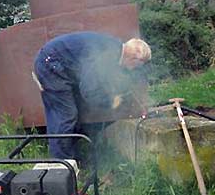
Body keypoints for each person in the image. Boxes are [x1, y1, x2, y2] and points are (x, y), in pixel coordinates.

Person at [32, 32, 151, 160]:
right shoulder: (106, 54)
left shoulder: (113, 49)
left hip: (56, 63)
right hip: (51, 64)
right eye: (137, 66)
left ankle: (69, 158)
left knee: (68, 113)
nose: (133, 70)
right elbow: (88, 91)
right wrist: (110, 101)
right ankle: (61, 166)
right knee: (65, 114)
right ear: (133, 58)